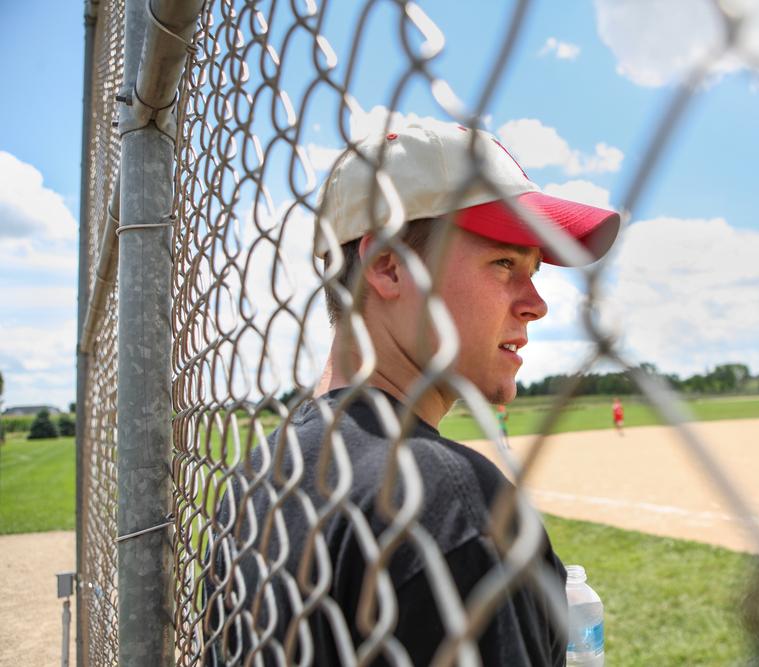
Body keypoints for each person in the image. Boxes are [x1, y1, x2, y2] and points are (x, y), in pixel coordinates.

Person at [203, 121, 620, 666]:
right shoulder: (445, 500)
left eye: (535, 270)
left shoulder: (262, 472)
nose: (536, 303)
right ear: (389, 267)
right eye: (504, 263)